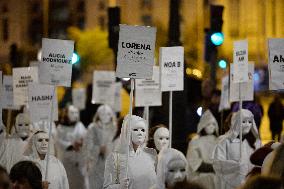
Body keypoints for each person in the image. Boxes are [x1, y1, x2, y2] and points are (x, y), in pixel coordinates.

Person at [104, 115, 157, 189]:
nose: (140, 133)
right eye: (135, 129)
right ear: (127, 131)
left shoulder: (150, 156)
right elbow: (107, 187)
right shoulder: (115, 158)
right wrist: (119, 187)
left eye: (143, 130)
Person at [212, 109, 261, 189]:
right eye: (243, 122)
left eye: (249, 122)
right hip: (230, 184)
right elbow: (217, 163)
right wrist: (236, 166)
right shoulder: (224, 141)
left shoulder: (254, 142)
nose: (247, 125)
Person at [83, 104, 117, 189]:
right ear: (98, 115)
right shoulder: (92, 127)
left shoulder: (115, 128)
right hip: (95, 164)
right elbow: (87, 145)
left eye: (108, 114)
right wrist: (98, 149)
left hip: (111, 165)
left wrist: (109, 149)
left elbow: (117, 144)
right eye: (102, 114)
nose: (105, 116)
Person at [56, 105, 87, 189]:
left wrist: (82, 142)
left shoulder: (80, 125)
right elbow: (58, 141)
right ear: (66, 113)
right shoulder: (60, 128)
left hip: (79, 160)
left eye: (76, 112)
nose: (75, 115)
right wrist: (71, 145)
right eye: (72, 112)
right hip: (66, 160)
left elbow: (86, 137)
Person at [186, 110, 218, 189]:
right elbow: (194, 162)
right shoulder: (195, 142)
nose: (211, 126)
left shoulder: (220, 141)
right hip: (201, 176)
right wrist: (214, 167)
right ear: (203, 126)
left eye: (213, 124)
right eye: (208, 124)